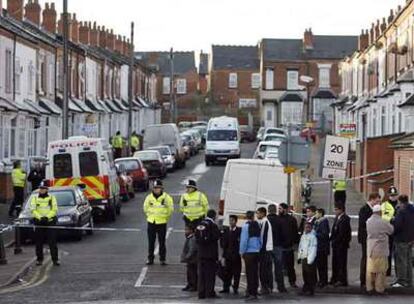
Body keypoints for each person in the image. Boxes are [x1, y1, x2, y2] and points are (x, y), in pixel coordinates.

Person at [143, 179, 174, 266]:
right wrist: (150, 216)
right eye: (155, 188)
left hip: (162, 222)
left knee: (162, 242)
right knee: (151, 242)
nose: (156, 189)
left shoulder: (166, 198)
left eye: (158, 188)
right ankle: (150, 259)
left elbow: (170, 209)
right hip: (151, 222)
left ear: (161, 188)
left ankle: (162, 259)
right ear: (153, 189)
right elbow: (145, 208)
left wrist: (165, 217)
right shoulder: (149, 198)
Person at [366, 204, 394, 295]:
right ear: (380, 212)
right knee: (380, 271)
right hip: (381, 249)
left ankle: (369, 288)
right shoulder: (383, 221)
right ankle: (379, 289)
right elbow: (391, 230)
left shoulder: (368, 221)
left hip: (370, 249)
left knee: (370, 270)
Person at [30, 185, 59, 266]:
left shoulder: (52, 198)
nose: (42, 190)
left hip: (49, 222)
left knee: (52, 242)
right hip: (39, 222)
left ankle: (55, 260)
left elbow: (54, 209)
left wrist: (47, 217)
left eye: (43, 189)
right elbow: (33, 209)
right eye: (41, 189)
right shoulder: (35, 198)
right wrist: (40, 217)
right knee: (39, 242)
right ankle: (39, 260)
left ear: (47, 190)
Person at [195, 209, 221, 299]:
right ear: (214, 216)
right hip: (210, 255)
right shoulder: (213, 225)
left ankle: (201, 292)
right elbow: (216, 237)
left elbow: (197, 237)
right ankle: (209, 292)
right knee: (210, 275)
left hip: (201, 254)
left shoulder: (200, 224)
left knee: (201, 274)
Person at [358, 192, 381, 288]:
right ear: (371, 199)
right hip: (366, 238)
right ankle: (363, 280)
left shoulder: (375, 210)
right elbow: (363, 224)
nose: (378, 203)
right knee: (366, 258)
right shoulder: (364, 209)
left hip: (373, 238)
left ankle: (371, 279)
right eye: (377, 201)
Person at [392, 194, 414, 288]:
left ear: (400, 202)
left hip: (401, 239)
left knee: (401, 260)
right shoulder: (412, 210)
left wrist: (392, 221)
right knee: (409, 260)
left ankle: (401, 281)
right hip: (410, 239)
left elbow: (397, 226)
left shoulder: (401, 211)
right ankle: (409, 280)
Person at [240, 210, 262, 301]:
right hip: (256, 252)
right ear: (253, 217)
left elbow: (244, 240)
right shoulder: (257, 225)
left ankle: (251, 293)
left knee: (249, 274)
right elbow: (260, 239)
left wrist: (242, 251)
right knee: (255, 272)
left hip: (248, 252)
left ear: (246, 217)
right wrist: (259, 248)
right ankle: (254, 291)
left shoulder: (245, 226)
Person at [267, 204, 288, 293]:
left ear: (268, 210)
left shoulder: (266, 220)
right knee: (279, 267)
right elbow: (284, 233)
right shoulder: (280, 220)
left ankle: (269, 286)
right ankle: (281, 287)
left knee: (268, 267)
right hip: (278, 246)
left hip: (268, 246)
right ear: (275, 210)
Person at [330, 204, 351, 287]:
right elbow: (334, 229)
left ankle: (342, 280)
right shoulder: (337, 218)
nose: (335, 211)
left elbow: (342, 233)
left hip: (341, 245)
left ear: (341, 210)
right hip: (336, 245)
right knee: (335, 262)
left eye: (336, 209)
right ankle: (334, 278)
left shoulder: (345, 219)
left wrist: (336, 241)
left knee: (341, 263)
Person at [219, 214, 242, 294]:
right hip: (227, 255)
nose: (230, 222)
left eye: (232, 220)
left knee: (236, 273)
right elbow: (222, 243)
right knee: (226, 272)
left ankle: (235, 288)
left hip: (236, 256)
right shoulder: (226, 231)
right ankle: (226, 287)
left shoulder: (239, 231)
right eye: (230, 220)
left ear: (236, 221)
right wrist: (223, 256)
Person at [280, 203, 299, 288]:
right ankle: (281, 284)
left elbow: (295, 233)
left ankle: (292, 282)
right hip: (280, 247)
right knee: (280, 267)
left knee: (290, 266)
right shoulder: (278, 219)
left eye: (280, 209)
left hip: (289, 247)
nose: (278, 210)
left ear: (285, 209)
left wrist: (295, 244)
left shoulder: (292, 219)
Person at [381, 186, 399, 276]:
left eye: (394, 195)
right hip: (388, 232)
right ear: (388, 195)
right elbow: (384, 217)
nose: (393, 197)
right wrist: (392, 218)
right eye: (391, 195)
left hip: (398, 232)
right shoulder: (384, 205)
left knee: (397, 254)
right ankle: (387, 271)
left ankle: (398, 272)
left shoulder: (400, 205)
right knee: (387, 252)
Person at [256, 206, 274, 295]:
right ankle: (268, 287)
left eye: (258, 213)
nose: (257, 215)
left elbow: (263, 238)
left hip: (265, 250)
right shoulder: (264, 222)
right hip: (267, 249)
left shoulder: (265, 222)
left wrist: (260, 250)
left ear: (263, 213)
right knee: (266, 270)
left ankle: (265, 288)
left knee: (264, 270)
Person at [298, 222, 318, 296]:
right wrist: (299, 256)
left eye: (308, 227)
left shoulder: (313, 237)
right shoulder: (303, 236)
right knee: (305, 274)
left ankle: (311, 289)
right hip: (304, 257)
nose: (306, 229)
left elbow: (313, 249)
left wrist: (310, 259)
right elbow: (301, 246)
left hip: (309, 259)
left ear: (311, 228)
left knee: (310, 275)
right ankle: (306, 287)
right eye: (305, 227)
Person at [314, 208, 330, 288]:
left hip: (322, 248)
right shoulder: (318, 222)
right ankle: (321, 280)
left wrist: (315, 234)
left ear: (320, 214)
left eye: (316, 213)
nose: (315, 215)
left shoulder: (323, 222)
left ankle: (323, 281)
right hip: (319, 247)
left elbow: (324, 235)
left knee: (322, 265)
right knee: (320, 266)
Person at [181, 225, 198, 292]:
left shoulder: (192, 238)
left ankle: (193, 286)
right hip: (191, 260)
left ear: (191, 231)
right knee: (189, 273)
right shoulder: (189, 238)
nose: (185, 231)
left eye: (187, 230)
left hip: (193, 260)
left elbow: (192, 249)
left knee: (192, 273)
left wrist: (186, 257)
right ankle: (190, 285)